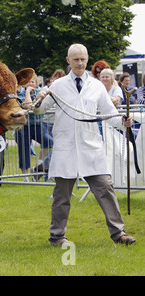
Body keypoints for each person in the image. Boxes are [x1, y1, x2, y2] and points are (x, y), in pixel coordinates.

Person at [34, 43, 136, 246]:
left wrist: (123, 121)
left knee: (106, 188)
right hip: (66, 147)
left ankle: (119, 233)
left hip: (91, 148)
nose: (80, 63)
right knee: (61, 196)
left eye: (83, 59)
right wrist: (38, 99)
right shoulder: (58, 85)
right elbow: (39, 110)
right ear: (68, 61)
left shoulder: (96, 86)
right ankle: (57, 237)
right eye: (76, 59)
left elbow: (109, 114)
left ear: (87, 59)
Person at [14, 74, 53, 181]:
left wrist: (39, 97)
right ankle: (25, 176)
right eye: (29, 82)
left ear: (36, 83)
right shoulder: (19, 94)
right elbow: (27, 105)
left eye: (33, 82)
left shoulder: (40, 93)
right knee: (24, 151)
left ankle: (40, 163)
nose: (31, 84)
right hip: (24, 127)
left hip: (37, 125)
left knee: (49, 141)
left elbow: (40, 105)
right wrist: (27, 92)